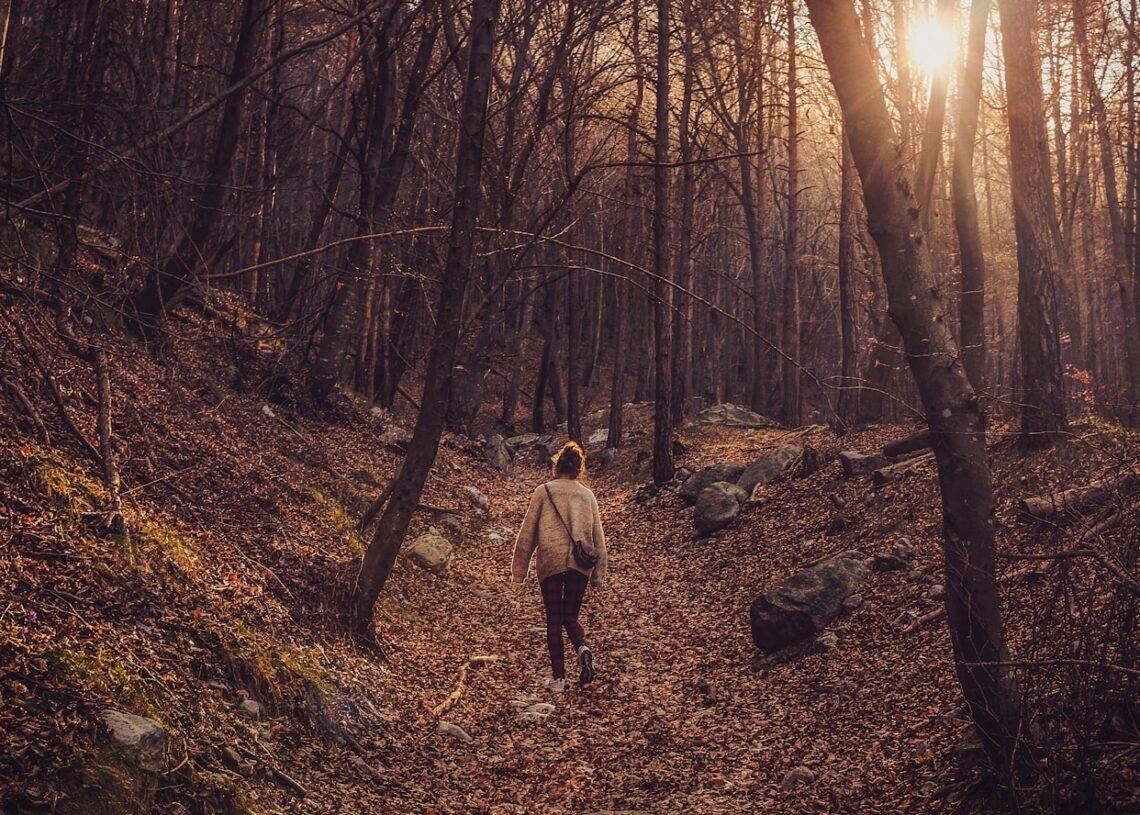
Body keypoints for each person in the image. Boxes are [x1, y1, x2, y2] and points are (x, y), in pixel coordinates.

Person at [511, 441, 607, 693]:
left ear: (557, 466)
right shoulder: (587, 496)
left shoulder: (543, 491)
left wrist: (518, 570)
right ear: (578, 469)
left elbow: (527, 532)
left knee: (554, 619)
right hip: (579, 564)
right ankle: (582, 648)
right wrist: (598, 574)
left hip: (551, 562)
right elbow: (599, 538)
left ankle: (559, 680)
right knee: (570, 616)